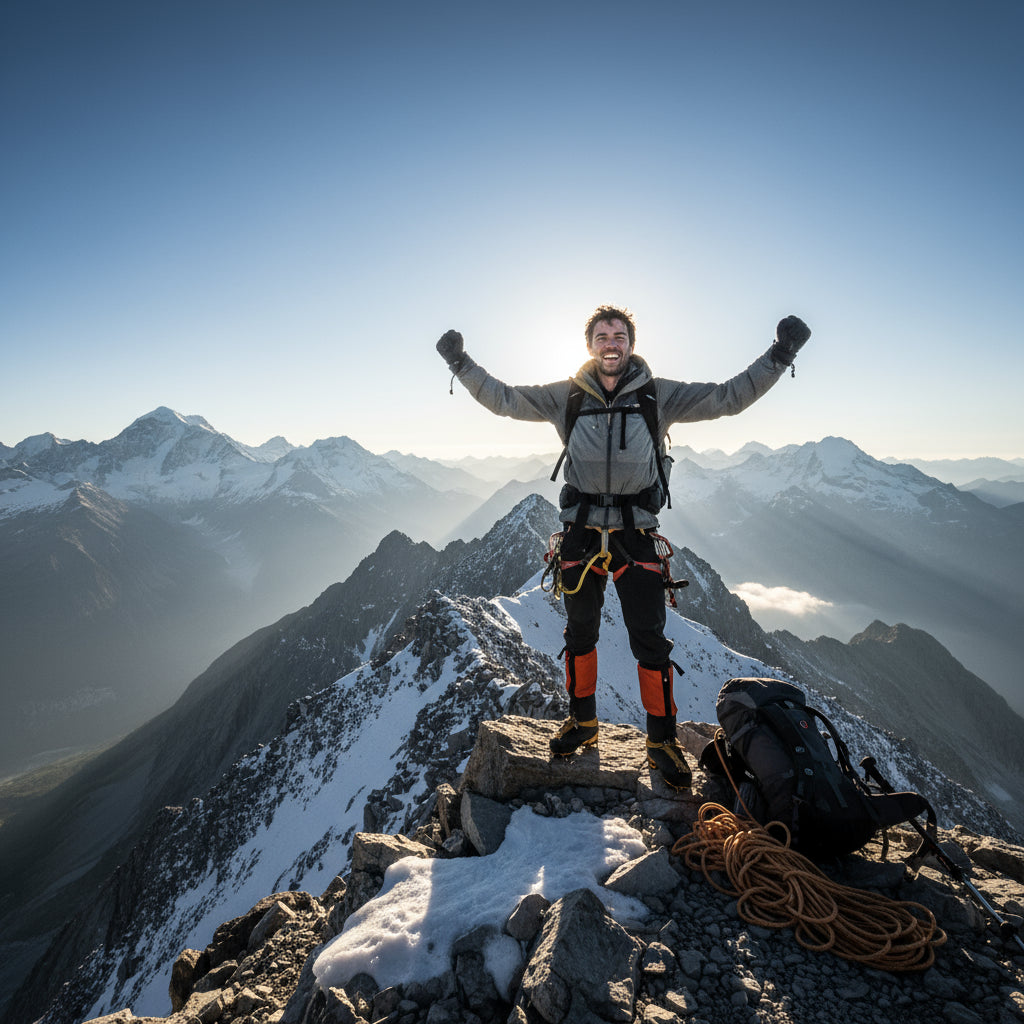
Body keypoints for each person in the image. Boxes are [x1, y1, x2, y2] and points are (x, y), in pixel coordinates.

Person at [436, 305, 811, 789]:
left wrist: (779, 356)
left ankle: (661, 740)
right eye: (601, 336)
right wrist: (461, 364)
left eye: (618, 335)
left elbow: (728, 398)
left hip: (637, 533)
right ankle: (583, 723)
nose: (610, 343)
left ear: (630, 343)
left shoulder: (660, 395)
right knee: (579, 635)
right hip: (581, 530)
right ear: (589, 344)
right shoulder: (565, 395)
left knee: (650, 640)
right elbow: (505, 399)